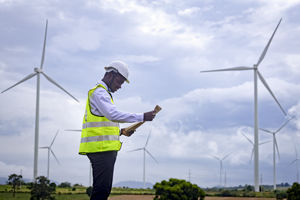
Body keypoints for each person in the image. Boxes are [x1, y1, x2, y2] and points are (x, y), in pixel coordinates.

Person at [79, 60, 156, 200]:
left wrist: (121, 131)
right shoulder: (99, 93)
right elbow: (113, 115)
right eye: (119, 82)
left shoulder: (102, 95)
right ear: (110, 76)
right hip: (101, 150)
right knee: (101, 192)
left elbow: (103, 125)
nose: (120, 86)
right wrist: (142, 116)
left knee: (102, 191)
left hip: (102, 149)